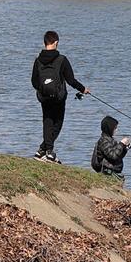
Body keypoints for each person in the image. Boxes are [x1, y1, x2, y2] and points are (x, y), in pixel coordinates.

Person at [31, 30, 87, 163]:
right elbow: (71, 80)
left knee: (47, 120)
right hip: (59, 97)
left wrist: (43, 89)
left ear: (45, 43)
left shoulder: (38, 60)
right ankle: (49, 152)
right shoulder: (62, 59)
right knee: (57, 123)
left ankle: (41, 151)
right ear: (56, 43)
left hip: (44, 97)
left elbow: (34, 81)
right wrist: (83, 89)